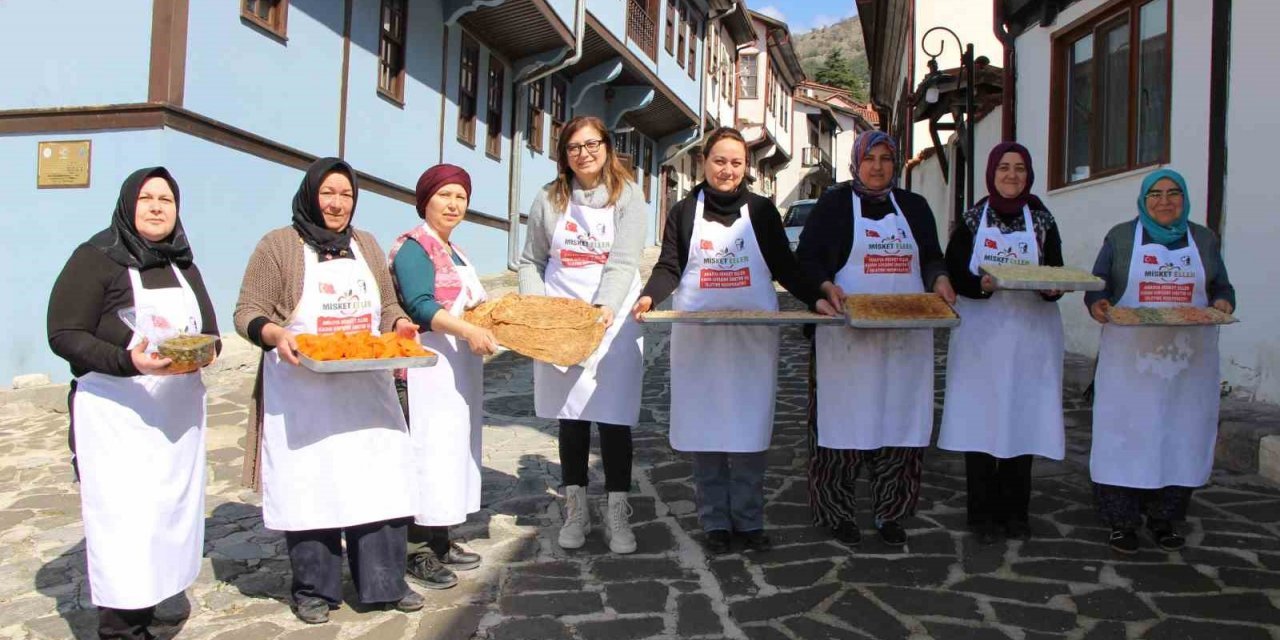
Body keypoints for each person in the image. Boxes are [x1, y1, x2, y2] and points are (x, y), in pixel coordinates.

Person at [234, 157, 423, 623]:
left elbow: (388, 305)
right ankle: (314, 590)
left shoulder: (368, 245)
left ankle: (384, 583)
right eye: (329, 193)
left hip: (366, 389)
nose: (338, 204)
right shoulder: (278, 246)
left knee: (379, 481)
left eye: (346, 195)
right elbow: (247, 311)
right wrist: (276, 335)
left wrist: (399, 324)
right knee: (310, 485)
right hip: (303, 391)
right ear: (310, 195)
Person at [633, 127, 833, 554]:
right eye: (720, 161)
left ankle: (748, 519)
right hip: (698, 342)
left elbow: (785, 266)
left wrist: (817, 297)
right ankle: (715, 523)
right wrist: (650, 294)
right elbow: (671, 265)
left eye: (736, 162)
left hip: (751, 341)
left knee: (748, 429)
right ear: (705, 162)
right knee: (705, 431)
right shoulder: (684, 212)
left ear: (747, 167)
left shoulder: (761, 212)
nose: (727, 170)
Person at [48, 167, 219, 640]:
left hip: (176, 414)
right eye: (147, 198)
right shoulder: (95, 258)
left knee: (170, 511)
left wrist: (204, 351)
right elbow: (64, 334)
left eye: (167, 199)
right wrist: (128, 361)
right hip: (116, 414)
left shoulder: (182, 262)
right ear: (128, 203)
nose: (158, 207)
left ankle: (159, 595)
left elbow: (209, 328)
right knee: (123, 519)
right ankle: (122, 626)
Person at [796, 130, 954, 548]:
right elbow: (807, 261)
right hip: (846, 339)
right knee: (838, 429)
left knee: (899, 426)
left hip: (905, 337)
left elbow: (932, 257)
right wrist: (824, 288)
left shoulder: (915, 208)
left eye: (886, 158)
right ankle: (837, 512)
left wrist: (939, 280)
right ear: (856, 162)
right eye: (871, 158)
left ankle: (891, 512)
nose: (878, 166)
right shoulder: (833, 205)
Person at [1085, 168, 1235, 555]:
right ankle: (1122, 522)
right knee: (1126, 435)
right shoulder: (1120, 237)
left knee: (1179, 434)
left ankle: (1165, 519)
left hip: (1187, 362)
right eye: (1155, 193)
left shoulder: (1203, 239)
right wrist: (1097, 304)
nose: (1164, 201)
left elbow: (1221, 283)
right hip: (1130, 363)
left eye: (1173, 193)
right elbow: (1099, 282)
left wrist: (1222, 302)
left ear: (1184, 199)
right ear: (1143, 199)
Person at [519, 116, 648, 554]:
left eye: (592, 144)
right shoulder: (548, 198)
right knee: (570, 416)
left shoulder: (628, 195)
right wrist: (538, 312)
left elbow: (624, 260)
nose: (584, 153)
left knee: (614, 416)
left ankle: (617, 511)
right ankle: (576, 507)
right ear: (564, 154)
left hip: (611, 320)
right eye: (574, 147)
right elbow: (531, 261)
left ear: (607, 147)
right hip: (559, 321)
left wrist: (602, 312)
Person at [939, 142, 1066, 544]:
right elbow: (954, 271)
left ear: (1029, 175)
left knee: (1022, 418)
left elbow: (1056, 271)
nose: (1012, 176)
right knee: (981, 421)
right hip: (982, 336)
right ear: (991, 174)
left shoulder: (1042, 220)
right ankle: (981, 513)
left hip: (1031, 335)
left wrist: (1051, 290)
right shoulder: (973, 220)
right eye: (1004, 169)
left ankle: (1016, 512)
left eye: (1020, 169)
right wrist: (981, 285)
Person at [389, 164, 496, 589]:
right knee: (424, 457)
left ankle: (439, 538)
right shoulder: (415, 247)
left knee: (449, 454)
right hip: (422, 373)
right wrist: (469, 330)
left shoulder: (456, 251)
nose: (453, 205)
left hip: (456, 374)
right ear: (425, 200)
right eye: (444, 195)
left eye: (461, 197)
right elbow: (418, 305)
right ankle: (415, 550)